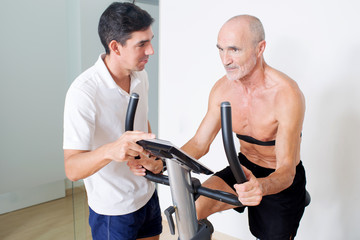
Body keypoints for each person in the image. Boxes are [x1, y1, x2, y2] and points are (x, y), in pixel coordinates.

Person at [131, 14, 307, 240]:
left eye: (234, 50)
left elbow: (286, 170)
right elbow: (199, 143)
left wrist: (261, 187)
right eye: (221, 50)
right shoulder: (223, 90)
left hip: (279, 179)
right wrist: (161, 163)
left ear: (260, 48)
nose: (225, 60)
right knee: (190, 214)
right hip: (242, 167)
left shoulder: (286, 94)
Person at [63, 2, 164, 240]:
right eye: (142, 44)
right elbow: (72, 168)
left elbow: (142, 122)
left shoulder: (141, 75)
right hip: (114, 211)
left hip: (147, 194)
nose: (151, 50)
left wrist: (153, 157)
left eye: (150, 40)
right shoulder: (84, 92)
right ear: (115, 47)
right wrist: (111, 150)